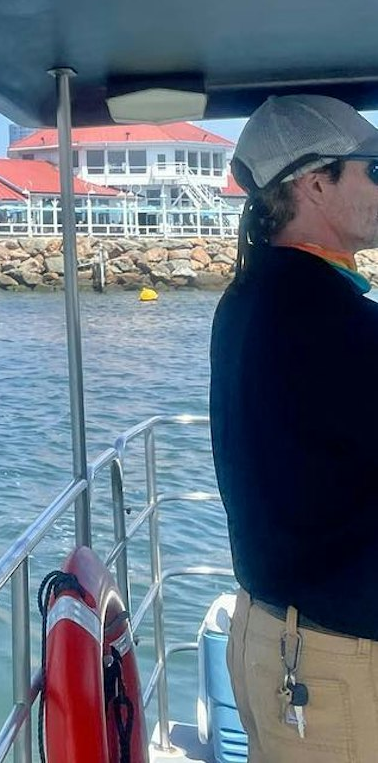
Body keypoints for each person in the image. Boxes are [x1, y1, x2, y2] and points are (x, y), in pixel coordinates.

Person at [211, 93, 378, 760]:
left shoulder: (251, 298)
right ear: (315, 181)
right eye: (377, 167)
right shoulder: (333, 322)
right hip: (332, 663)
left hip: (275, 636)